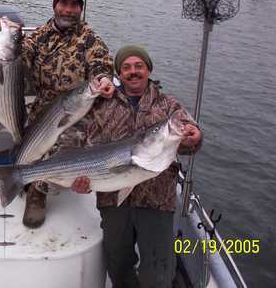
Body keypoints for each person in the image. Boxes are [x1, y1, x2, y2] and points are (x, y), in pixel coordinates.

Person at [70, 45, 203, 288]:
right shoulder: (101, 106)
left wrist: (195, 138)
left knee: (158, 272)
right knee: (118, 265)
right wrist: (82, 183)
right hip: (113, 200)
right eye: (126, 67)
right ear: (119, 75)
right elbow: (85, 147)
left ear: (148, 70)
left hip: (157, 200)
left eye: (139, 66)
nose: (133, 72)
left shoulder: (169, 107)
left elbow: (189, 141)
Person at [0, 0, 115, 228]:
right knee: (33, 139)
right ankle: (34, 190)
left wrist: (104, 80)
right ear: (55, 5)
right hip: (44, 106)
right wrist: (4, 38)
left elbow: (102, 64)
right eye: (64, 3)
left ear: (80, 9)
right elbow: (18, 57)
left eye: (74, 5)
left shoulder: (90, 39)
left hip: (77, 108)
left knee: (67, 140)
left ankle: (42, 185)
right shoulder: (39, 36)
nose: (69, 10)